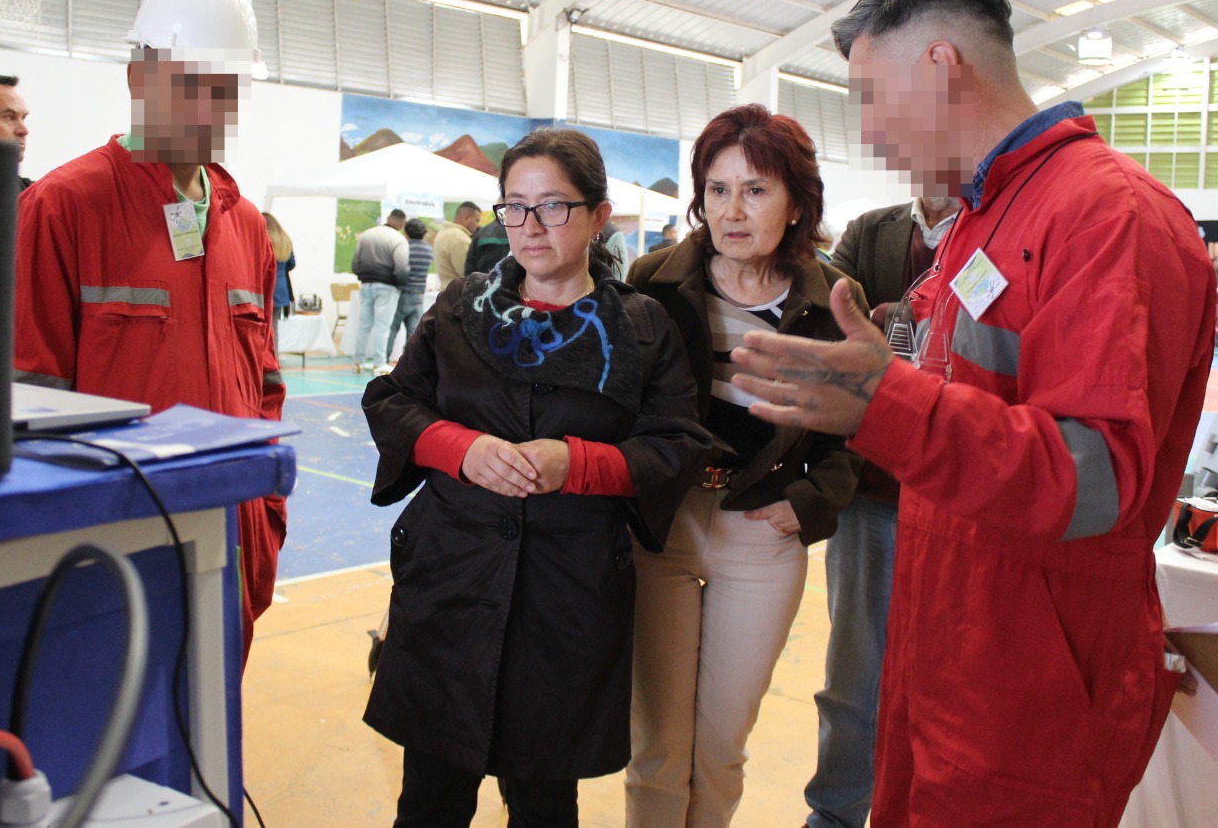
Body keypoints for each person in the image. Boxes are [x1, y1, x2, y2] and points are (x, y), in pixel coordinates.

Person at [729, 0, 1215, 827]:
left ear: (941, 67)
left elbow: (1096, 477)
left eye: (873, 99)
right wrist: (891, 383)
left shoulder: (1106, 216)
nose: (870, 132)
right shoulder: (987, 219)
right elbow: (977, 406)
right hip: (951, 646)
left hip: (1033, 683)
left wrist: (888, 405)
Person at [362, 127, 713, 828]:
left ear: (598, 215)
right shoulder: (461, 308)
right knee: (429, 796)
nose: (530, 226)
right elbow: (392, 400)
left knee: (545, 800)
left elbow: (677, 445)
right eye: (514, 206)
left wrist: (577, 464)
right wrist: (457, 447)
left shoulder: (640, 327)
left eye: (553, 206)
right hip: (451, 577)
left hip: (567, 589)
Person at [13, 0, 286, 662]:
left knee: (216, 709)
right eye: (187, 84)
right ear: (139, 78)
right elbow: (28, 399)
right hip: (113, 547)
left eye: (222, 89)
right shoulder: (64, 206)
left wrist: (265, 516)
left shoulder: (245, 225)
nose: (205, 109)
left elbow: (265, 385)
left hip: (231, 536)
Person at [625, 104, 860, 828]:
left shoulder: (834, 301)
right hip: (664, 529)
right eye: (718, 189)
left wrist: (810, 501)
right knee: (656, 746)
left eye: (755, 190)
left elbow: (860, 427)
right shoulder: (652, 281)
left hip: (762, 533)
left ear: (797, 204)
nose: (732, 210)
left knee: (722, 745)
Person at [802, 195, 958, 828]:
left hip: (958, 496)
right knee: (855, 677)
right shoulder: (873, 230)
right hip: (874, 489)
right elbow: (824, 310)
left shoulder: (1004, 225)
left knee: (948, 685)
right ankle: (834, 815)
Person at [350, 209, 409, 372]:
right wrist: (400, 285)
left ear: (388, 218)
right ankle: (379, 362)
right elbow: (402, 268)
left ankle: (358, 362)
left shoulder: (367, 235)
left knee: (364, 325)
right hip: (387, 286)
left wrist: (363, 276)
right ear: (402, 223)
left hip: (366, 284)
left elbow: (355, 264)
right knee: (383, 326)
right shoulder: (398, 239)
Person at [387, 218, 433, 361]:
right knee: (414, 333)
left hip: (402, 293)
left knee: (392, 328)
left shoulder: (404, 246)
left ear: (406, 232)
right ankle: (409, 362)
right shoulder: (429, 249)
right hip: (419, 295)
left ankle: (383, 359)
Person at [264, 212, 295, 352]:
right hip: (281, 289)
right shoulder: (285, 239)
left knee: (262, 326)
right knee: (274, 326)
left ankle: (264, 358)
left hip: (264, 287)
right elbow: (292, 263)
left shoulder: (263, 237)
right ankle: (274, 357)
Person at [434, 202, 481, 285]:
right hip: (457, 291)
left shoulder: (443, 232)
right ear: (466, 217)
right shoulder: (460, 238)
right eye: (477, 220)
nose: (478, 225)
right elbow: (467, 274)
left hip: (447, 288)